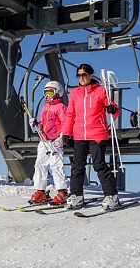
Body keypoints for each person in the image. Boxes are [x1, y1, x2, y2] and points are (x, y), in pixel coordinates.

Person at [61, 63, 119, 210]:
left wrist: (113, 109)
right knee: (77, 166)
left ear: (91, 75)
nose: (81, 78)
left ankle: (111, 196)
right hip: (79, 134)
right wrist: (67, 132)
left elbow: (113, 109)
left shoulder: (100, 91)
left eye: (84, 75)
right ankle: (77, 196)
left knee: (99, 164)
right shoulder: (74, 93)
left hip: (97, 133)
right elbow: (70, 114)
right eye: (79, 75)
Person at [28, 80, 69, 205]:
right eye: (45, 92)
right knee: (39, 165)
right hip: (44, 140)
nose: (47, 95)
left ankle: (62, 192)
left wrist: (61, 138)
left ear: (57, 93)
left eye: (50, 92)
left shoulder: (61, 107)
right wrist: (37, 125)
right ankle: (40, 191)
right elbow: (44, 125)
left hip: (55, 141)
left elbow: (65, 123)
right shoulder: (45, 107)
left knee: (56, 165)